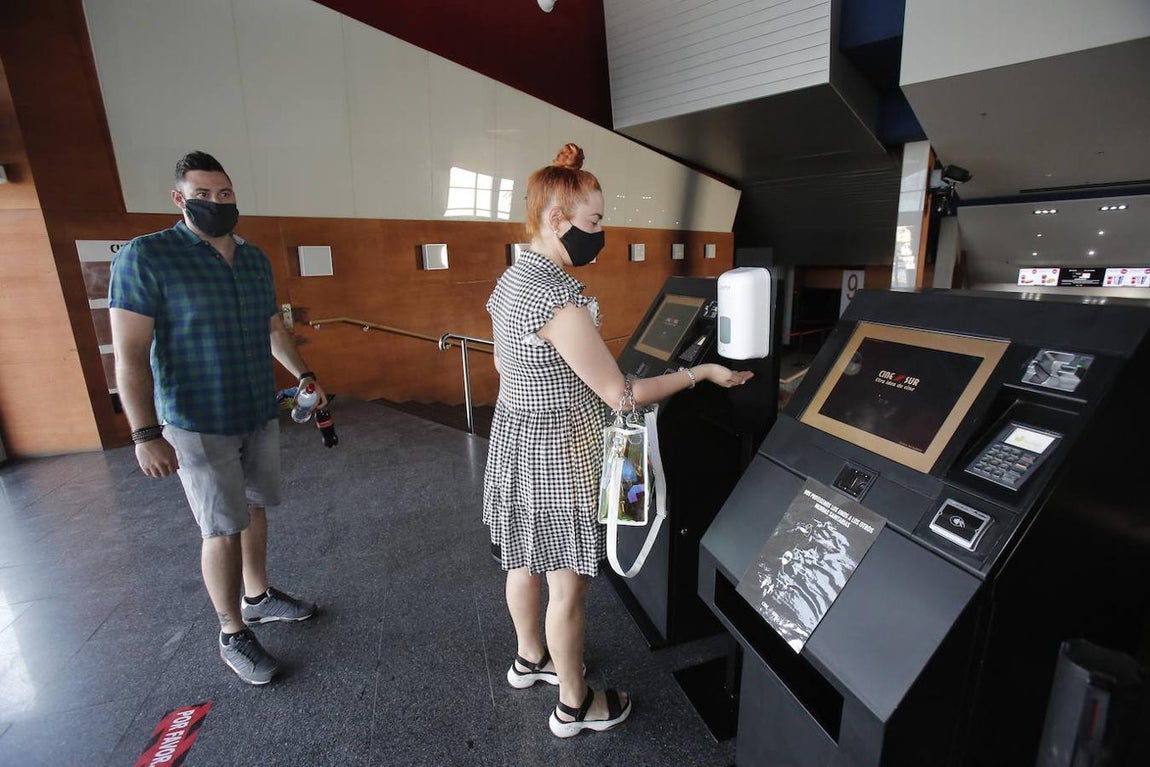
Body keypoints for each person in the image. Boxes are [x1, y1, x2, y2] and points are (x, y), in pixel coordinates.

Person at [483, 143, 753, 737]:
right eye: (596, 220)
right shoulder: (557, 298)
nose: (601, 233)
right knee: (567, 586)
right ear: (558, 219)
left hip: (515, 441)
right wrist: (699, 373)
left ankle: (531, 659)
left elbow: (506, 367)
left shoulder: (513, 278)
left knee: (523, 561)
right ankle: (574, 705)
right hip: (558, 454)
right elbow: (622, 395)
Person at [109, 151, 326, 685]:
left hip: (256, 409)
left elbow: (273, 329)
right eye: (202, 195)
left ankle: (258, 596)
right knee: (221, 527)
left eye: (224, 193)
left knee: (254, 509)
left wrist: (303, 374)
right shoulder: (146, 257)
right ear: (178, 199)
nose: (216, 202)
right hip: (196, 418)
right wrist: (144, 433)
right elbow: (130, 355)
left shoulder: (253, 259)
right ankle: (232, 631)